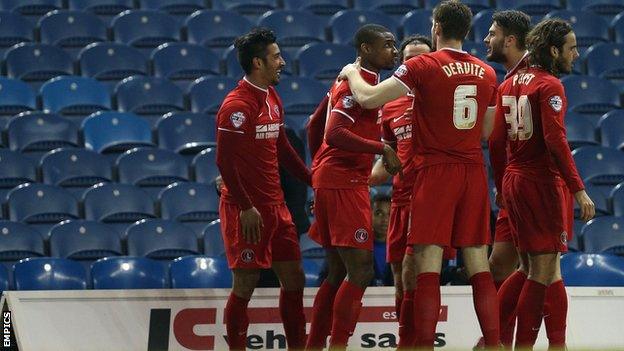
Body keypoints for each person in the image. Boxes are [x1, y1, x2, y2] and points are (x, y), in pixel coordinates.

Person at [338, 1, 500, 348]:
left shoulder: (424, 65)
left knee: (427, 263)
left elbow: (367, 99)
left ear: (437, 27)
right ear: (468, 31)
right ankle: (495, 342)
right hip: (473, 171)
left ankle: (423, 344)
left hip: (435, 171)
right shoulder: (487, 71)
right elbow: (487, 130)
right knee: (477, 263)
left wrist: (352, 72)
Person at [489, 18, 595, 350]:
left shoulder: (507, 84)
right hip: (541, 183)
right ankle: (522, 345)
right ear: (553, 50)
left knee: (529, 267)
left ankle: (495, 339)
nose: (576, 54)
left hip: (514, 179)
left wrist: (501, 183)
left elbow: (494, 143)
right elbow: (555, 142)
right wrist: (578, 188)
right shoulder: (549, 85)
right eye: (571, 48)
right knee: (543, 269)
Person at [305, 24, 401, 350]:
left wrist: (318, 167)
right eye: (387, 45)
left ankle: (315, 343)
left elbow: (313, 124)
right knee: (360, 272)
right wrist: (382, 149)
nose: (394, 50)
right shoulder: (352, 86)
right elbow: (332, 133)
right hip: (343, 184)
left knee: (336, 273)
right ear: (365, 49)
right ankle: (339, 345)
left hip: (334, 180)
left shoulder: (360, 82)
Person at [215, 27, 312, 350]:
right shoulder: (237, 107)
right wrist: (245, 206)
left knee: (294, 279)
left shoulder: (272, 96)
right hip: (246, 211)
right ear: (258, 63)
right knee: (246, 283)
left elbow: (283, 147)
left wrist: (314, 182)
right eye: (276, 57)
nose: (282, 62)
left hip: (276, 206)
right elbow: (224, 163)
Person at [368, 34, 438, 349]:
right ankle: (404, 337)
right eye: (409, 58)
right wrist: (359, 180)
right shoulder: (390, 104)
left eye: (422, 57)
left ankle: (417, 342)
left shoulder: (442, 98)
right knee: (399, 276)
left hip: (430, 200)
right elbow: (390, 160)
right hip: (400, 198)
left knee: (417, 276)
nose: (415, 63)